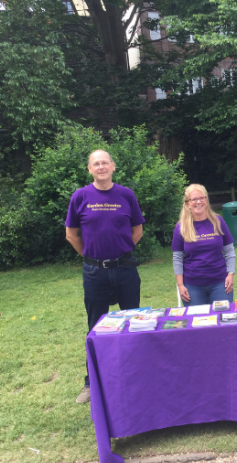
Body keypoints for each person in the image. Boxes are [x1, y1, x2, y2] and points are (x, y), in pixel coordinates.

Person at [65, 150, 145, 404]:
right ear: (90, 169)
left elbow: (137, 230)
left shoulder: (126, 194)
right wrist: (92, 257)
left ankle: (137, 376)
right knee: (95, 328)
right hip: (94, 272)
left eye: (104, 163)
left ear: (113, 166)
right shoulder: (80, 196)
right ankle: (91, 383)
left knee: (133, 323)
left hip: (125, 269)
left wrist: (120, 252)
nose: (101, 167)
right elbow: (71, 234)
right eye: (95, 164)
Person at [172, 184, 236, 306]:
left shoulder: (218, 221)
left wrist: (230, 274)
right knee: (196, 323)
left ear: (206, 200)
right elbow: (177, 258)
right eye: (194, 199)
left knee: (222, 321)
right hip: (192, 285)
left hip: (220, 283)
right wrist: (180, 285)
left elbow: (229, 250)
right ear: (187, 203)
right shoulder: (181, 227)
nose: (198, 202)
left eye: (202, 198)